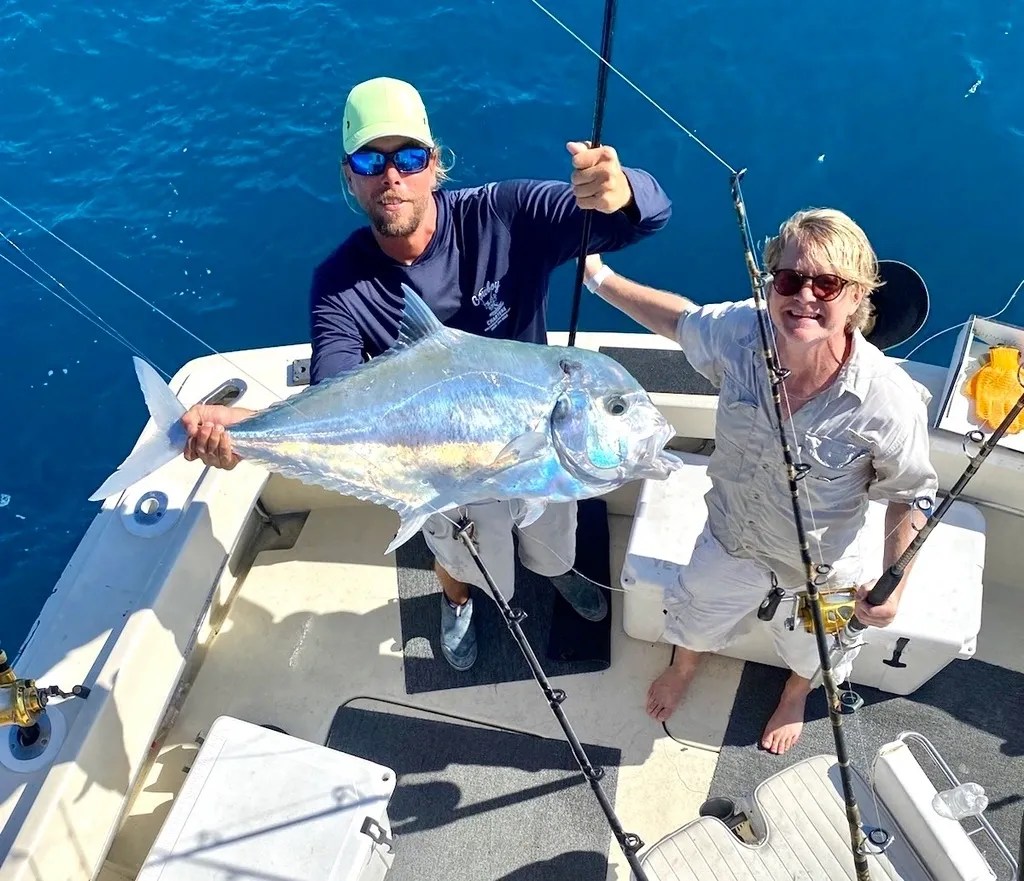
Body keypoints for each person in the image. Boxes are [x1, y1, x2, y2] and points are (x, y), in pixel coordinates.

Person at [179, 76, 673, 672]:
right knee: (459, 553)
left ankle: (557, 572)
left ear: (435, 164)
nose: (392, 176)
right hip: (435, 469)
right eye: (370, 161)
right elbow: (336, 398)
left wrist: (620, 190)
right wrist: (245, 433)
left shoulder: (505, 215)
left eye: (409, 158)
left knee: (553, 532)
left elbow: (642, 219)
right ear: (349, 176)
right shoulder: (339, 285)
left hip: (541, 448)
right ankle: (457, 599)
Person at [581, 207, 938, 754]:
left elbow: (910, 495)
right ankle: (685, 666)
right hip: (732, 538)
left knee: (819, 652)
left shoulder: (888, 400)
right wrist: (597, 276)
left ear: (858, 296)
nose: (805, 297)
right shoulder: (740, 332)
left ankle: (795, 692)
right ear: (772, 284)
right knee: (695, 614)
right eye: (790, 279)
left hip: (820, 567)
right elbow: (680, 322)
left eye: (827, 284)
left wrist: (896, 589)